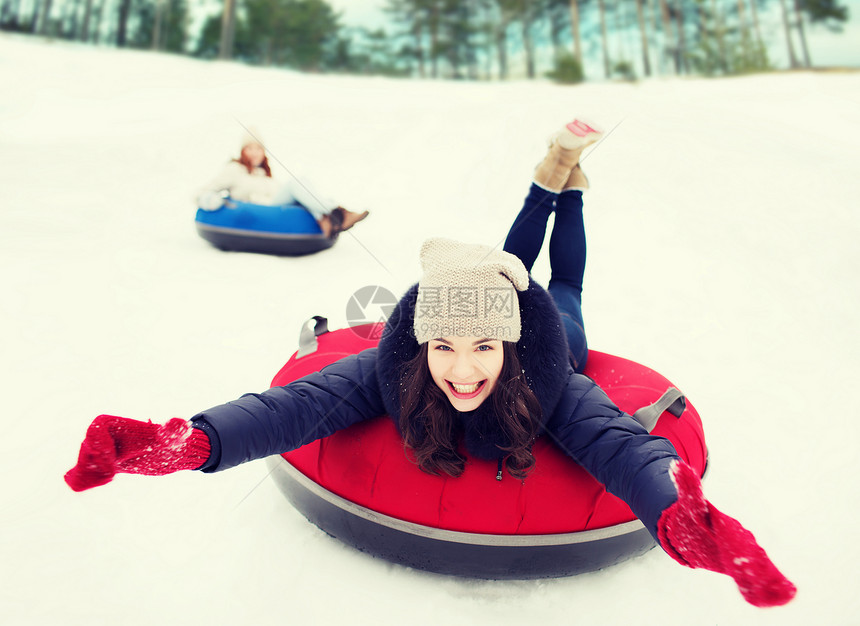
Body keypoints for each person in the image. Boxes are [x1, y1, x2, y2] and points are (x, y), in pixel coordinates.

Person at [67, 120, 795, 608]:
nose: (463, 371)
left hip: (555, 329)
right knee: (505, 265)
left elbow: (623, 448)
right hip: (486, 295)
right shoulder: (396, 369)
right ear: (420, 344)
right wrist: (184, 443)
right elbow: (290, 409)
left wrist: (685, 517)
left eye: (482, 350)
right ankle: (552, 172)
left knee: (564, 284)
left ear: (507, 350)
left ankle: (560, 185)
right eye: (444, 347)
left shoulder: (556, 384)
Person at [197, 129, 369, 237]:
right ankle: (338, 214)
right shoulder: (234, 170)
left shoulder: (265, 175)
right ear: (242, 151)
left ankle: (327, 220)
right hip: (262, 211)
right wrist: (209, 200)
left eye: (258, 148)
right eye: (249, 148)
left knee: (303, 187)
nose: (254, 153)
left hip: (275, 208)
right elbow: (203, 191)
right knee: (297, 183)